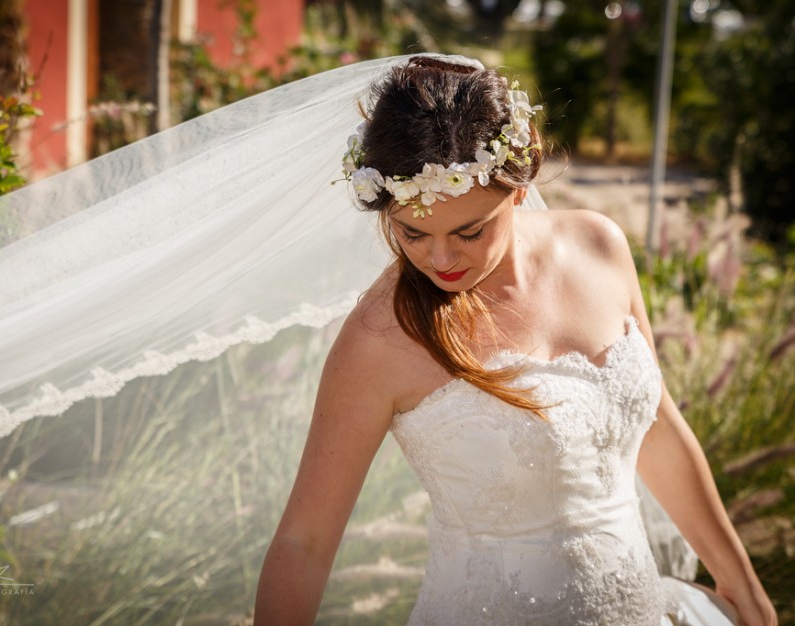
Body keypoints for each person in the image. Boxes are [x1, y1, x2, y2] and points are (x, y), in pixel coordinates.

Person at [253, 55, 777, 625]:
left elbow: (658, 426)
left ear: (520, 185)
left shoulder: (600, 245)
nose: (441, 258)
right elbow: (303, 542)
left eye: (469, 230)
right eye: (412, 233)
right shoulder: (380, 339)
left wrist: (739, 582)